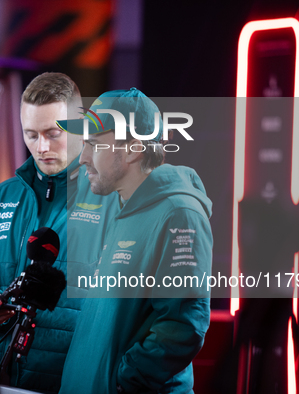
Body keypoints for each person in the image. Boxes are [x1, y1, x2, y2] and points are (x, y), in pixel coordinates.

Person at [0, 72, 118, 393]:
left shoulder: (110, 196)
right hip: (0, 375)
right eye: (31, 135)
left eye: (52, 133)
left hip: (74, 379)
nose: (41, 147)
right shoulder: (3, 197)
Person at [56, 88, 213, 394]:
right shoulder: (121, 208)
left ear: (133, 150)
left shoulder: (180, 214)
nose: (83, 157)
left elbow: (183, 327)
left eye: (94, 144)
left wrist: (123, 382)